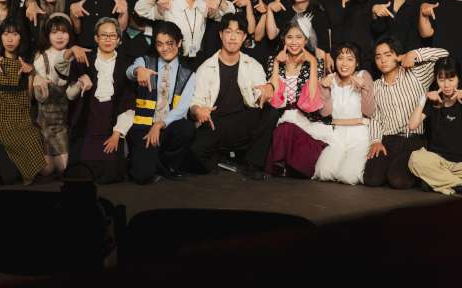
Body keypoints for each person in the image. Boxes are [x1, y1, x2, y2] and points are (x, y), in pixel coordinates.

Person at [188, 14, 276, 180]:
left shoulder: (253, 65)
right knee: (194, 153)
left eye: (238, 32)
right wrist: (198, 110)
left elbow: (261, 94)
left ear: (244, 37)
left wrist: (267, 90)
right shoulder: (206, 67)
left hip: (243, 122)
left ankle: (252, 164)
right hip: (216, 123)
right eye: (228, 32)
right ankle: (223, 158)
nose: (233, 37)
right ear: (221, 35)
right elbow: (195, 102)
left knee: (271, 112)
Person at [364, 38, 448, 189]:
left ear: (397, 55)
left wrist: (414, 54)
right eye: (378, 57)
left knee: (397, 180)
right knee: (372, 179)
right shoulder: (375, 87)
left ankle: (418, 171)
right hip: (388, 140)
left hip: (414, 140)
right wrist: (376, 141)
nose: (383, 60)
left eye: (388, 55)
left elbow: (444, 53)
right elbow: (375, 118)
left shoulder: (416, 74)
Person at [125, 21, 197, 183]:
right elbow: (129, 71)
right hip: (144, 125)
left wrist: (159, 125)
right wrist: (138, 71)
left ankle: (165, 164)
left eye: (169, 43)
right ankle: (151, 161)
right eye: (159, 44)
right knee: (141, 176)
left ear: (179, 43)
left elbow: (182, 108)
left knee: (187, 128)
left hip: (168, 126)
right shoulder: (145, 62)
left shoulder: (188, 73)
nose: (164, 49)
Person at [407, 57, 462, 196]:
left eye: (451, 80)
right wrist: (424, 98)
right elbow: (412, 125)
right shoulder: (433, 101)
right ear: (436, 80)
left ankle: (437, 183)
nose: (446, 85)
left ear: (458, 79)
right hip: (438, 161)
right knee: (415, 159)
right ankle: (461, 187)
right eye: (441, 80)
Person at [66, 17, 134, 184]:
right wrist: (80, 83)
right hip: (87, 123)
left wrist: (117, 134)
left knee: (111, 173)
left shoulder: (126, 65)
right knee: (81, 173)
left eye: (112, 35)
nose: (108, 39)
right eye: (103, 35)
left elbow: (128, 103)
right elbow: (69, 95)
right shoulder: (84, 60)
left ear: (118, 39)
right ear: (96, 38)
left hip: (112, 125)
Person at [134, 0, 234, 68]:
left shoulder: (203, 5)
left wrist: (219, 1)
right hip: (174, 62)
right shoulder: (169, 4)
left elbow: (230, 13)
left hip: (198, 62)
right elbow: (140, 9)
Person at [0, 18, 48, 185]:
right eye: (6, 34)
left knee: (32, 136)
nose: (10, 39)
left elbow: (29, 98)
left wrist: (31, 74)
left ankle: (27, 174)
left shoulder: (25, 63)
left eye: (15, 34)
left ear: (21, 37)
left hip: (20, 115)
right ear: (0, 37)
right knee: (12, 141)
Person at [264, 20, 325, 178]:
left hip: (305, 119)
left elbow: (312, 100)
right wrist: (276, 63)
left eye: (299, 37)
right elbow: (274, 99)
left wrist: (312, 62)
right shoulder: (273, 60)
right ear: (283, 39)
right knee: (283, 128)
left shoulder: (316, 62)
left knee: (289, 130)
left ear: (306, 40)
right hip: (280, 118)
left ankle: (291, 165)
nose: (294, 42)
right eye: (289, 37)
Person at [32, 13, 92, 175]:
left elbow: (70, 95)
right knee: (46, 170)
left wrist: (80, 83)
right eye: (54, 32)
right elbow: (40, 97)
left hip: (61, 126)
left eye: (64, 32)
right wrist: (37, 81)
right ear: (48, 35)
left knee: (64, 168)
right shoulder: (41, 57)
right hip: (42, 125)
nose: (59, 36)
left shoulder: (74, 56)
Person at [313, 42, 375, 184]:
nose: (344, 63)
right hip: (337, 134)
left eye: (350, 59)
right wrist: (324, 89)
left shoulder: (363, 75)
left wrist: (364, 87)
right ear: (335, 61)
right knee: (324, 172)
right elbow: (325, 113)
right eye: (340, 58)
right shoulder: (330, 78)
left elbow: (369, 111)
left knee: (348, 176)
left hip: (359, 135)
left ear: (357, 63)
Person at [266, 0, 331, 70]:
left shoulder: (318, 14)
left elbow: (320, 50)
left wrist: (319, 74)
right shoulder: (284, 7)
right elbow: (271, 35)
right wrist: (270, 10)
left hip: (308, 65)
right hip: (284, 62)